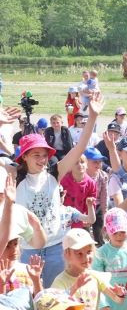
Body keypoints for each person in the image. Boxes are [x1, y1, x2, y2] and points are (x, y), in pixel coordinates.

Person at [17, 91, 105, 286]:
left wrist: (92, 117)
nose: (42, 159)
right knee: (29, 302)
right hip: (27, 249)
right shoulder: (16, 178)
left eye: (44, 155)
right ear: (24, 157)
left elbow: (79, 148)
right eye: (36, 155)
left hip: (56, 248)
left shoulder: (54, 173)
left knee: (56, 300)